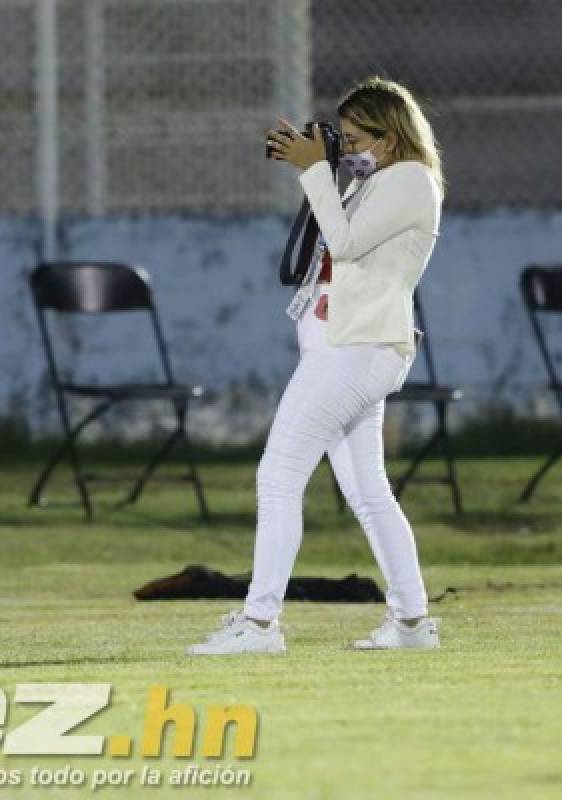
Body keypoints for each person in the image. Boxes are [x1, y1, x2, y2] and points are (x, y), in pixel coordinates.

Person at [188, 77, 446, 655]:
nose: (349, 147)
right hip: (347, 346)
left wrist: (315, 171)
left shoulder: (409, 178)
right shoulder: (375, 179)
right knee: (369, 492)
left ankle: (259, 625)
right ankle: (411, 624)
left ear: (390, 135)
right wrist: (317, 164)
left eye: (357, 138)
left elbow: (347, 243)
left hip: (355, 350)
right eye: (344, 137)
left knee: (278, 476)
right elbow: (330, 240)